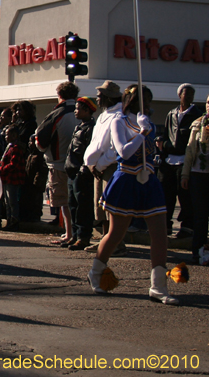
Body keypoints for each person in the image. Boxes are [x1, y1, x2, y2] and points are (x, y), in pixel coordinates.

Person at [88, 85, 179, 305]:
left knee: (159, 234)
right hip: (126, 181)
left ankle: (158, 286)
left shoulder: (147, 123)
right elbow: (124, 152)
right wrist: (142, 133)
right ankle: (96, 271)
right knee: (116, 233)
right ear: (132, 100)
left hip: (148, 181)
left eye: (149, 100)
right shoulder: (119, 121)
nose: (147, 105)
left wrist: (147, 131)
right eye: (143, 100)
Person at [83, 81, 125, 255]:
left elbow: (115, 148)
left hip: (110, 166)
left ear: (109, 97)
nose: (97, 100)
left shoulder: (119, 116)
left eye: (100, 97)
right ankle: (105, 239)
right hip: (98, 167)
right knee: (100, 207)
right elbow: (96, 143)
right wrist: (92, 164)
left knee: (112, 207)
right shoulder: (103, 115)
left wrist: (100, 164)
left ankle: (117, 243)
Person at [36, 81, 78, 244]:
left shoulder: (57, 114)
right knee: (77, 201)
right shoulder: (85, 113)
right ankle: (76, 233)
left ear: (59, 95)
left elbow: (41, 139)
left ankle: (69, 233)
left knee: (64, 201)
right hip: (81, 164)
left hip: (60, 163)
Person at [160, 83, 201, 238]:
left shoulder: (197, 114)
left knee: (185, 197)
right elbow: (166, 133)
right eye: (186, 93)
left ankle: (187, 227)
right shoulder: (171, 114)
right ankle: (166, 225)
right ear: (179, 95)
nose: (189, 96)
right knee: (167, 195)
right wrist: (164, 145)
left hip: (185, 161)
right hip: (169, 160)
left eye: (192, 93)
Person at [64, 97, 97, 250]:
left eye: (78, 108)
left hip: (81, 173)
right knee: (73, 205)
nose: (75, 111)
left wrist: (83, 169)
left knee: (83, 207)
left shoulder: (91, 128)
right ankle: (75, 235)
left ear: (87, 110)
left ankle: (83, 237)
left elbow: (89, 151)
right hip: (72, 172)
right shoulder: (80, 127)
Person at [180, 93, 209, 265]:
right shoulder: (198, 123)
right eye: (207, 102)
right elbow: (190, 151)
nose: (208, 105)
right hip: (198, 175)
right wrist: (185, 174)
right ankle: (197, 252)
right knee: (200, 216)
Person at [0, 125, 26, 231]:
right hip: (6, 178)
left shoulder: (16, 148)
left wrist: (1, 169)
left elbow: (13, 164)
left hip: (13, 179)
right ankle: (9, 221)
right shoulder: (9, 147)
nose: (6, 136)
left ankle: (14, 222)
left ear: (14, 135)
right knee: (7, 202)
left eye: (8, 134)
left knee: (12, 202)